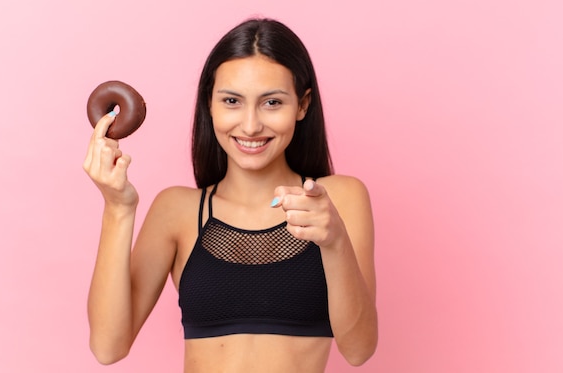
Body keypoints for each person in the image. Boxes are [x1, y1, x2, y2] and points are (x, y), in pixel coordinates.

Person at [83, 18, 377, 372]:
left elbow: (359, 350)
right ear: (210, 103)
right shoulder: (176, 210)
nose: (251, 125)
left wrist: (334, 241)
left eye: (272, 102)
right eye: (232, 101)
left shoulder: (339, 200)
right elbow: (107, 347)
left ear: (302, 105)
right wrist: (117, 207)